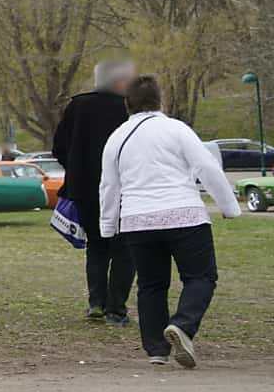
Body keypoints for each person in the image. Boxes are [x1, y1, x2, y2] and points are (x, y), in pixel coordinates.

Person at [99, 75, 242, 368]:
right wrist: (228, 206)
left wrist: (108, 225)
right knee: (201, 277)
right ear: (160, 100)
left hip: (138, 220)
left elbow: (109, 186)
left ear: (127, 104)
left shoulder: (116, 138)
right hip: (184, 215)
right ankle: (183, 325)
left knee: (151, 285)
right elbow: (206, 165)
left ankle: (156, 349)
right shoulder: (177, 129)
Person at [53, 57, 136, 326]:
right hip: (124, 190)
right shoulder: (129, 108)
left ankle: (96, 302)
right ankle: (116, 308)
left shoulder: (79, 105)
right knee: (124, 250)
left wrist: (76, 170)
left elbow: (59, 147)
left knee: (97, 247)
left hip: (86, 189)